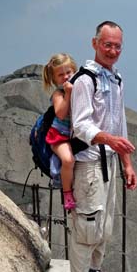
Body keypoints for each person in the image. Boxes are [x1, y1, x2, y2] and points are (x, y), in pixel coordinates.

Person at [69, 21, 137, 272]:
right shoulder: (86, 80)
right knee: (87, 226)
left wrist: (127, 163)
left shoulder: (116, 79)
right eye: (107, 44)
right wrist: (107, 138)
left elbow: (119, 122)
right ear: (95, 43)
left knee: (105, 226)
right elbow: (80, 124)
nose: (112, 50)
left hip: (109, 161)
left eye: (117, 46)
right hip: (89, 164)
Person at [42, 53, 78, 210]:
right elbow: (61, 113)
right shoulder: (58, 94)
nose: (65, 77)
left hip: (75, 135)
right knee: (68, 160)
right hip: (59, 136)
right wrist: (68, 93)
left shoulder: (81, 89)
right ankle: (67, 193)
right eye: (60, 74)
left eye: (68, 72)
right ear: (54, 79)